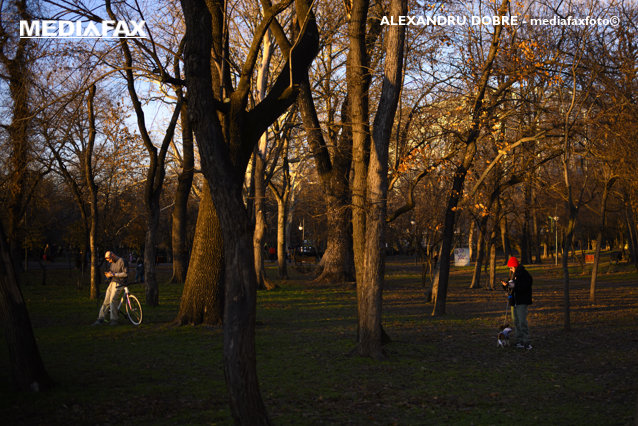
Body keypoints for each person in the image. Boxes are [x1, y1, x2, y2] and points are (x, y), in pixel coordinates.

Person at [501, 256, 533, 350]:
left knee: (522, 321)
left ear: (514, 266)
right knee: (516, 322)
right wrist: (506, 286)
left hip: (521, 301)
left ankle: (526, 341)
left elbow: (524, 287)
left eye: (511, 267)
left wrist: (513, 286)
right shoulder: (512, 275)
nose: (510, 269)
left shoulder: (524, 274)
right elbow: (511, 286)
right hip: (513, 302)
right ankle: (519, 341)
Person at [92, 251, 128, 326]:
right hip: (112, 282)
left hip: (120, 283)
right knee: (106, 301)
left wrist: (114, 274)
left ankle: (114, 320)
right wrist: (109, 275)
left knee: (113, 300)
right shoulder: (112, 263)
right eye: (107, 260)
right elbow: (112, 273)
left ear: (113, 255)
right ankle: (100, 318)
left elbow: (125, 273)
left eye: (109, 259)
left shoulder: (122, 261)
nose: (109, 261)